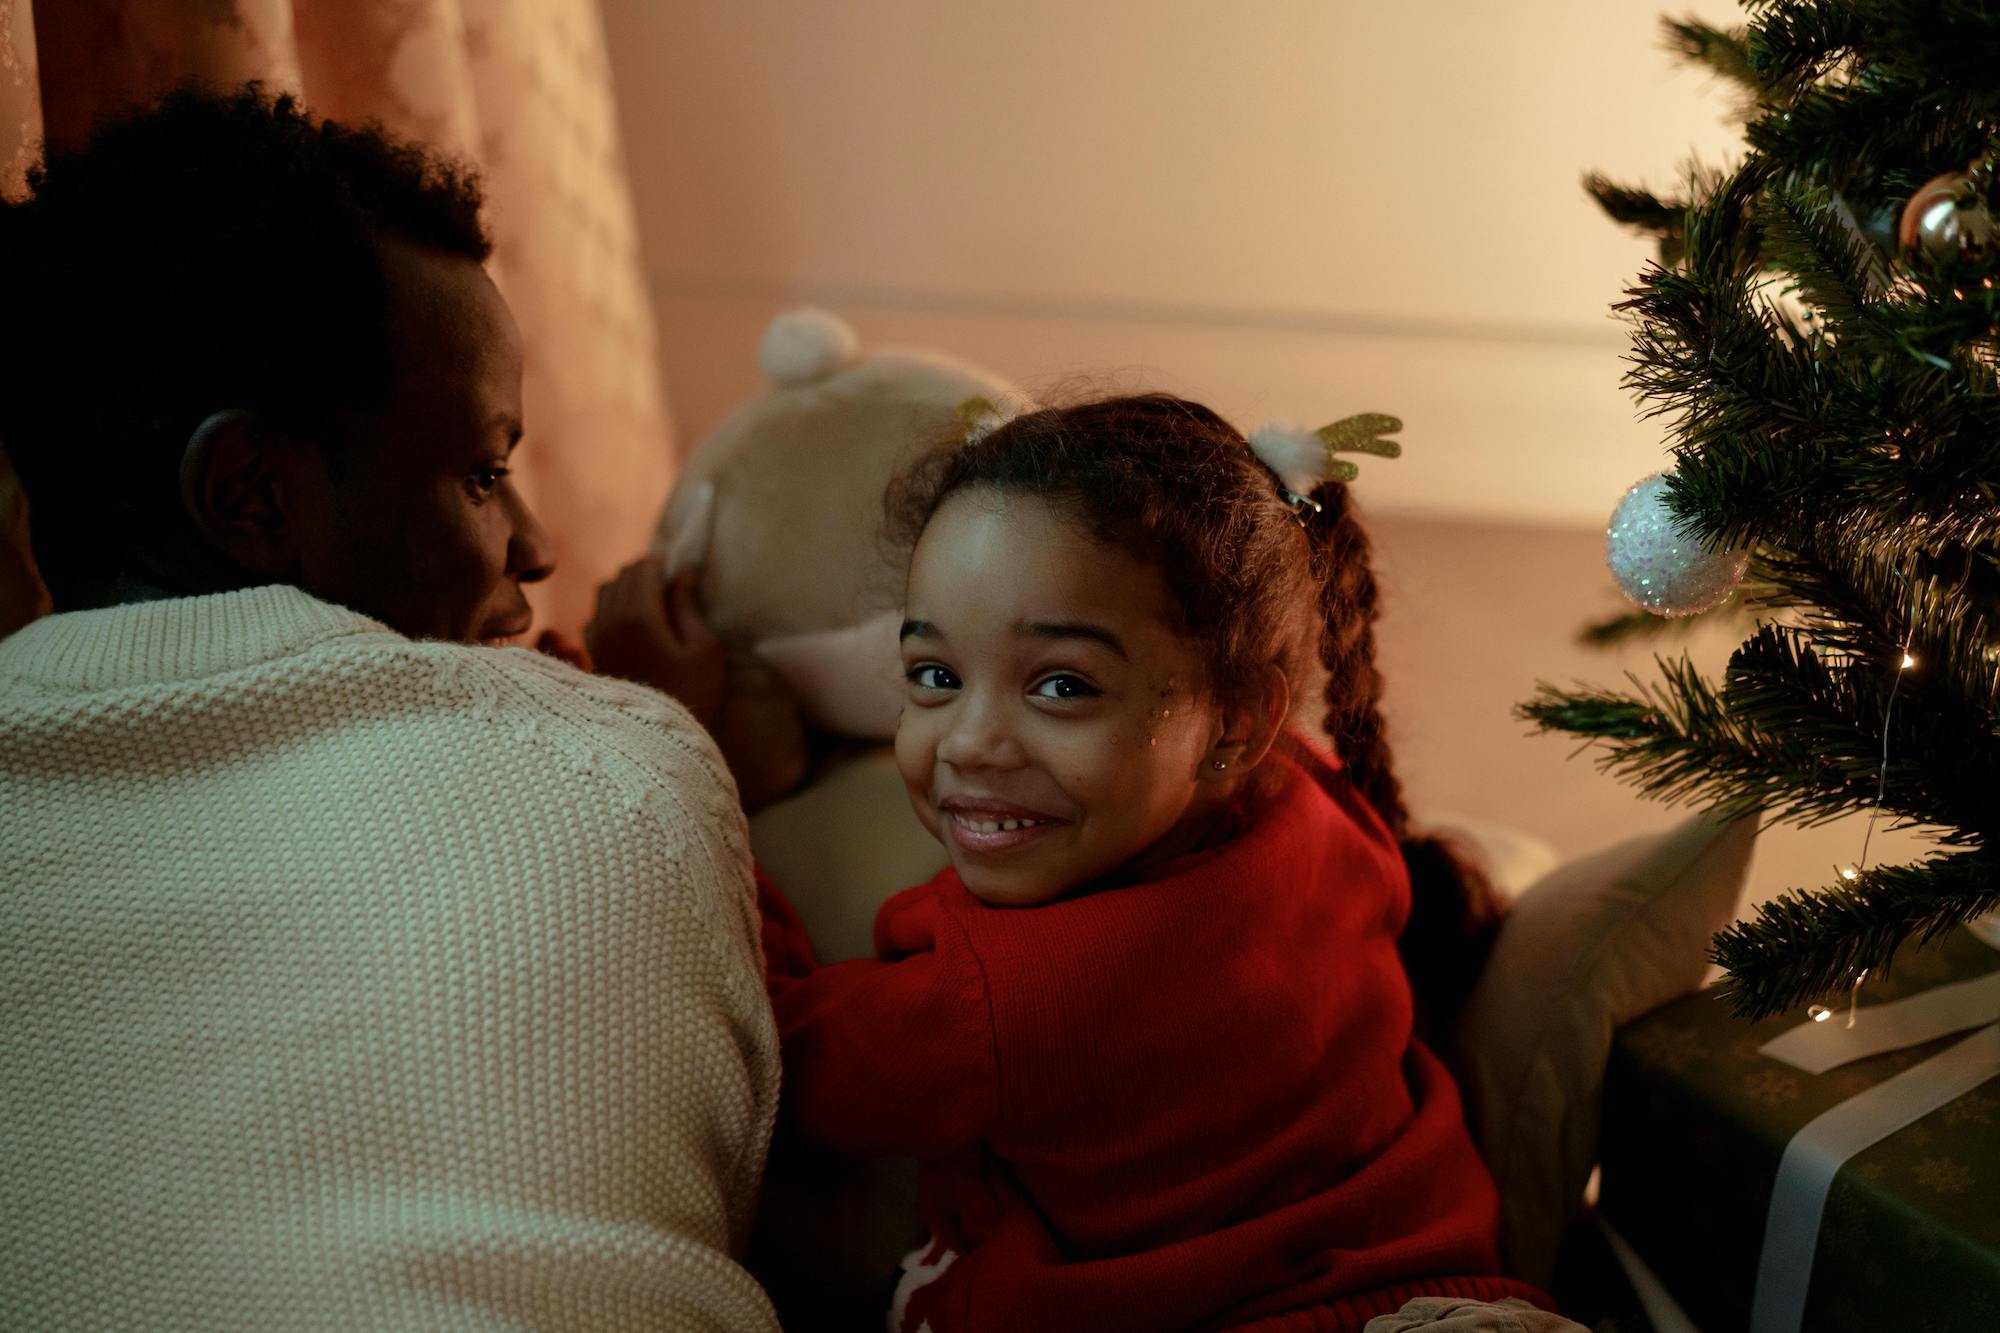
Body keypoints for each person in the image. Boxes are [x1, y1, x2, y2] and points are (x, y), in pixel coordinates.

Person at [0, 87, 780, 1331]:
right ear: (253, 495)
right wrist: (661, 735)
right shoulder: (615, 762)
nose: (534, 542)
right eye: (481, 473)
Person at [608, 394, 1578, 1331]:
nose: (972, 742)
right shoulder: (1309, 789)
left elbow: (764, 1045)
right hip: (1452, 1288)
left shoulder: (1006, 1004)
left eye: (1061, 685)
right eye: (934, 676)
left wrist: (681, 742)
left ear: (1234, 723)